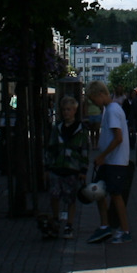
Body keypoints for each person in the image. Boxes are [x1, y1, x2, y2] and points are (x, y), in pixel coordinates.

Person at [83, 82, 133, 244]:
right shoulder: (110, 109)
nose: (94, 104)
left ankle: (124, 230)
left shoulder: (111, 111)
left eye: (93, 99)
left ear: (100, 95)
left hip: (115, 161)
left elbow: (118, 138)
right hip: (112, 160)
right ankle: (105, 226)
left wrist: (102, 155)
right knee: (99, 191)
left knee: (115, 195)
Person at [42, 95, 91, 239]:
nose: (66, 112)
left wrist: (83, 169)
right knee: (54, 195)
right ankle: (56, 220)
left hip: (72, 168)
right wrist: (47, 167)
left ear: (75, 110)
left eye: (69, 109)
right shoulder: (57, 128)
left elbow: (85, 150)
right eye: (64, 110)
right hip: (57, 167)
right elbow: (50, 148)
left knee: (70, 198)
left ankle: (69, 225)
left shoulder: (81, 129)